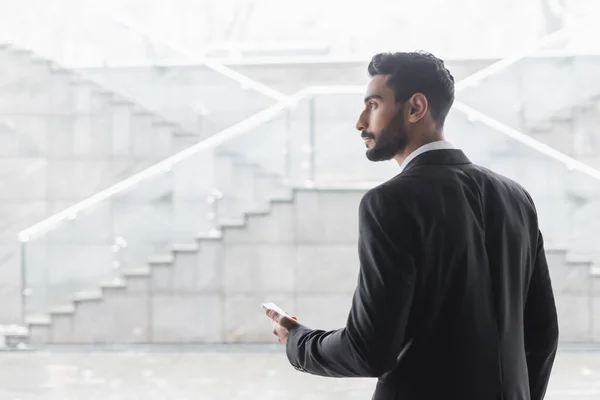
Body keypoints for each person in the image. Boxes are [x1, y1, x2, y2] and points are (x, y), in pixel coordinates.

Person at [264, 51, 559, 400]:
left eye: (373, 105)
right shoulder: (516, 198)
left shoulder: (389, 202)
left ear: (416, 107)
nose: (360, 122)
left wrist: (299, 340)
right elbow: (542, 335)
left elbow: (369, 349)